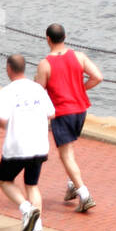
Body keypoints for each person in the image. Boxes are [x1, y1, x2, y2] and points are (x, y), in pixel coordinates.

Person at [35, 23, 103, 212]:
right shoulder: (79, 57)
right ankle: (72, 185)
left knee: (66, 154)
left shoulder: (45, 64)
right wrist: (82, 88)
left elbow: (39, 92)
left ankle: (84, 194)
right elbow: (97, 76)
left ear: (48, 39)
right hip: (80, 110)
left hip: (62, 112)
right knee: (70, 149)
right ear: (64, 37)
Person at [0, 54, 55, 231]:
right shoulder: (38, 89)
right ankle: (37, 230)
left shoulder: (6, 92)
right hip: (39, 146)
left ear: (9, 69)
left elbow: (1, 120)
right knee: (32, 185)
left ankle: (26, 209)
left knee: (4, 181)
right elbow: (51, 113)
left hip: (17, 147)